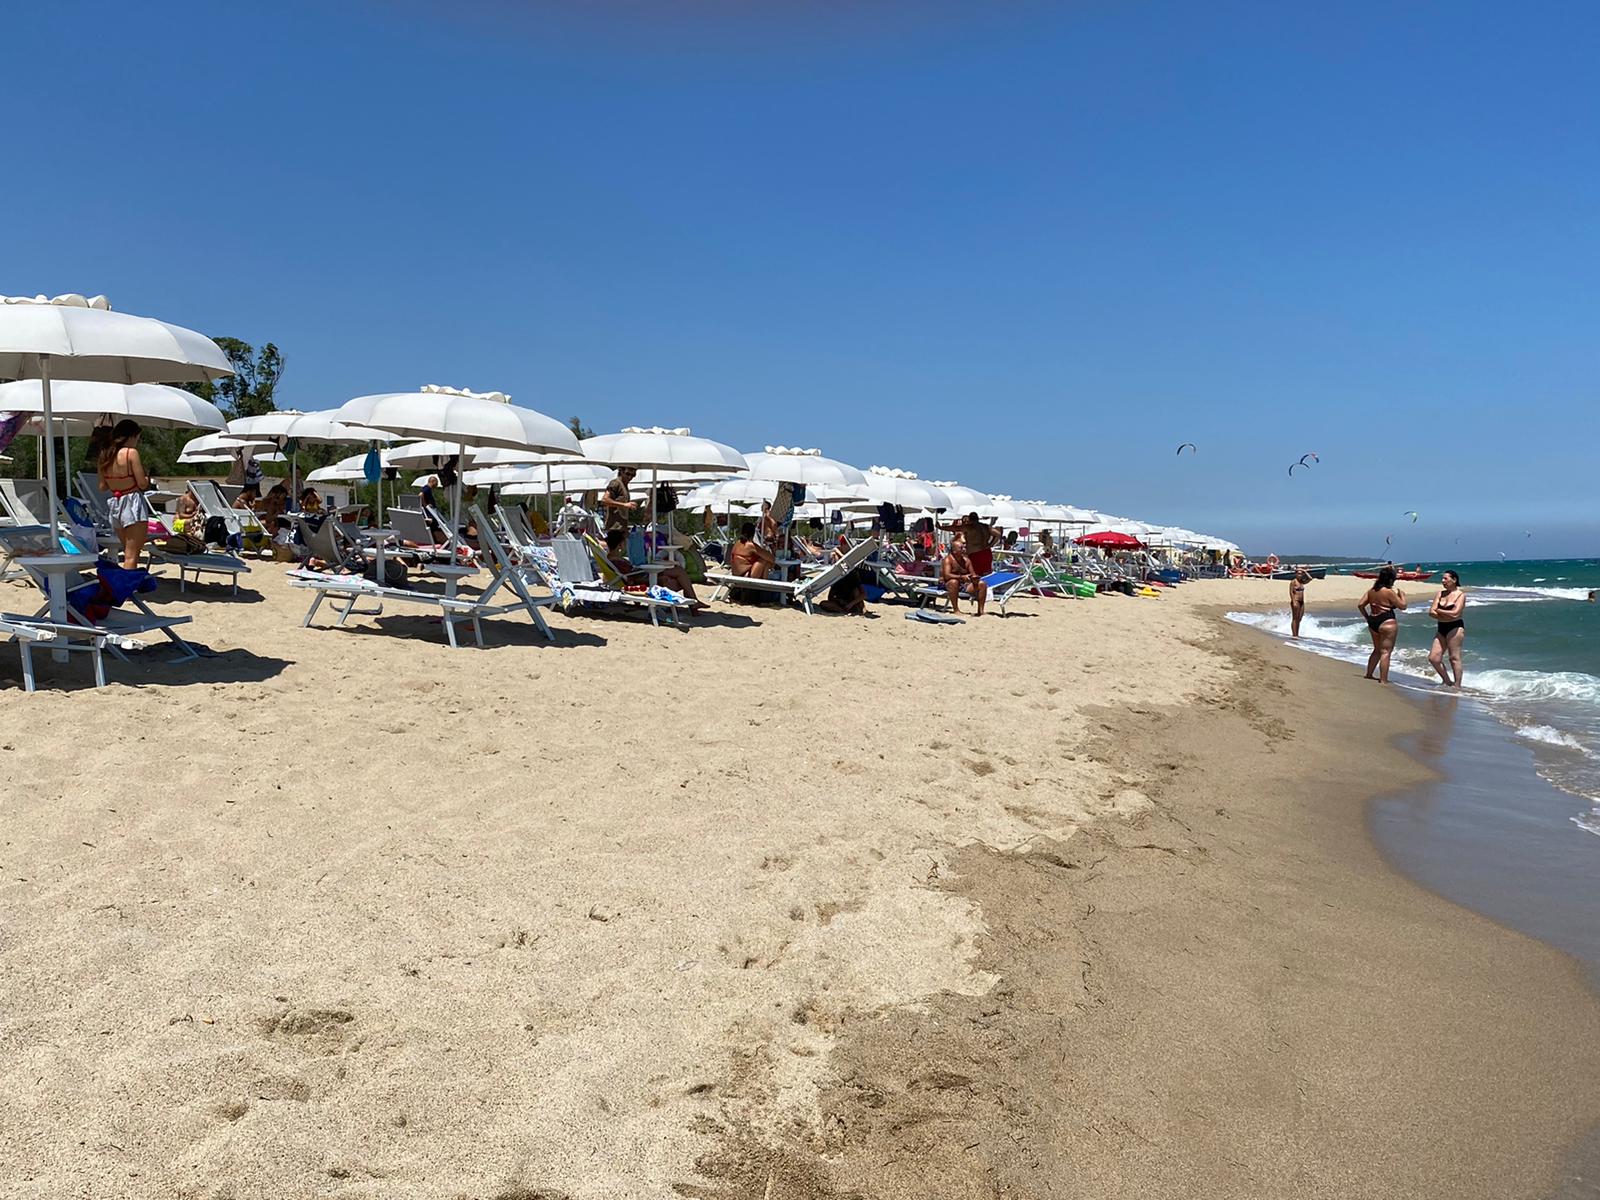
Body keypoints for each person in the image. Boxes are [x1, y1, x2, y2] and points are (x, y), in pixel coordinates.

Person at [97, 419, 152, 569]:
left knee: (128, 551)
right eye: (137, 438)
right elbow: (141, 484)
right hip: (132, 502)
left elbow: (102, 486)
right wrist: (147, 478)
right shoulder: (130, 453)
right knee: (132, 556)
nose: (137, 442)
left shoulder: (104, 455)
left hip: (116, 502)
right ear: (131, 436)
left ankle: (128, 587)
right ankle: (126, 590)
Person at [601, 528, 702, 604]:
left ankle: (694, 603)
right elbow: (630, 579)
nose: (626, 545)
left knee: (679, 574)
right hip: (643, 579)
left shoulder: (612, 559)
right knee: (679, 577)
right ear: (620, 545)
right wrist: (658, 579)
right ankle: (694, 603)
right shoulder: (616, 562)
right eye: (624, 543)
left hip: (642, 575)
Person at [1357, 566, 1407, 683]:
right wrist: (1402, 595)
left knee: (1377, 650)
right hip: (1386, 620)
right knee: (1386, 652)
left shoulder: (1371, 591)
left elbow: (1360, 605)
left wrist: (1367, 617)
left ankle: (1369, 674)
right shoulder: (1388, 591)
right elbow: (1403, 606)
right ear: (1391, 580)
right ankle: (1383, 679)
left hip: (1373, 620)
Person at [1428, 570, 1467, 689]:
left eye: (1446, 579)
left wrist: (1439, 611)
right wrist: (1444, 613)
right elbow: (1431, 612)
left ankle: (1457, 685)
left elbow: (1455, 613)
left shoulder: (1460, 595)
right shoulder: (1440, 594)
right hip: (1441, 627)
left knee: (1454, 658)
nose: (1443, 581)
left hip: (1455, 627)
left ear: (1454, 580)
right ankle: (1447, 681)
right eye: (1442, 579)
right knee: (1433, 658)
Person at [942, 512, 1000, 579]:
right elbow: (998, 534)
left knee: (975, 577)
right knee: (987, 576)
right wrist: (990, 544)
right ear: (978, 518)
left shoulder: (970, 527)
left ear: (970, 519)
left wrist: (941, 527)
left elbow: (955, 528)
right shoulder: (986, 527)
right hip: (987, 552)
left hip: (975, 554)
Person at [942, 536, 988, 616]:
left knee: (982, 584)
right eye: (961, 548)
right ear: (954, 551)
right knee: (953, 582)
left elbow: (972, 574)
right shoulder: (948, 560)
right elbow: (946, 575)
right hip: (947, 584)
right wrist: (961, 577)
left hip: (963, 584)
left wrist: (974, 578)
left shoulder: (967, 560)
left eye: (964, 548)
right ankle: (956, 610)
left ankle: (980, 610)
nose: (964, 550)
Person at [600, 466, 640, 534]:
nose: (630, 477)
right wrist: (624, 505)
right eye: (627, 474)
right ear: (621, 471)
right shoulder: (616, 483)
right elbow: (604, 500)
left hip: (622, 527)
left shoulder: (625, 485)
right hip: (614, 527)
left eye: (633, 475)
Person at [1288, 568, 1311, 638]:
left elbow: (1310, 578)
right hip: (1296, 601)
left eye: (1301, 574)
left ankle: (1297, 634)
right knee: (1295, 618)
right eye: (1298, 573)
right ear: (1296, 574)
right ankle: (1294, 635)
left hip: (1302, 601)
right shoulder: (1293, 582)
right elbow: (1291, 592)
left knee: (1299, 618)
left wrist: (1305, 571)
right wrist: (1293, 601)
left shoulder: (1302, 582)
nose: (1300, 575)